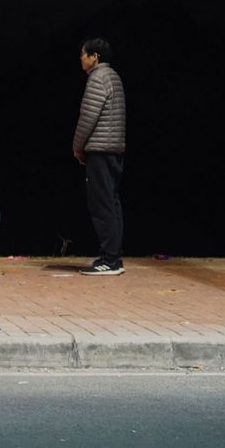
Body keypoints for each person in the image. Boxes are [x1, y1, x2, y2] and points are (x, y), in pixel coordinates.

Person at [72, 37, 126, 276]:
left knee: (102, 205)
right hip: (113, 150)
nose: (81, 59)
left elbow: (87, 118)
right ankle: (113, 257)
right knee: (111, 204)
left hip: (100, 151)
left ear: (96, 57)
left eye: (84, 54)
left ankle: (110, 260)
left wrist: (77, 147)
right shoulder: (113, 76)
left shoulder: (98, 78)